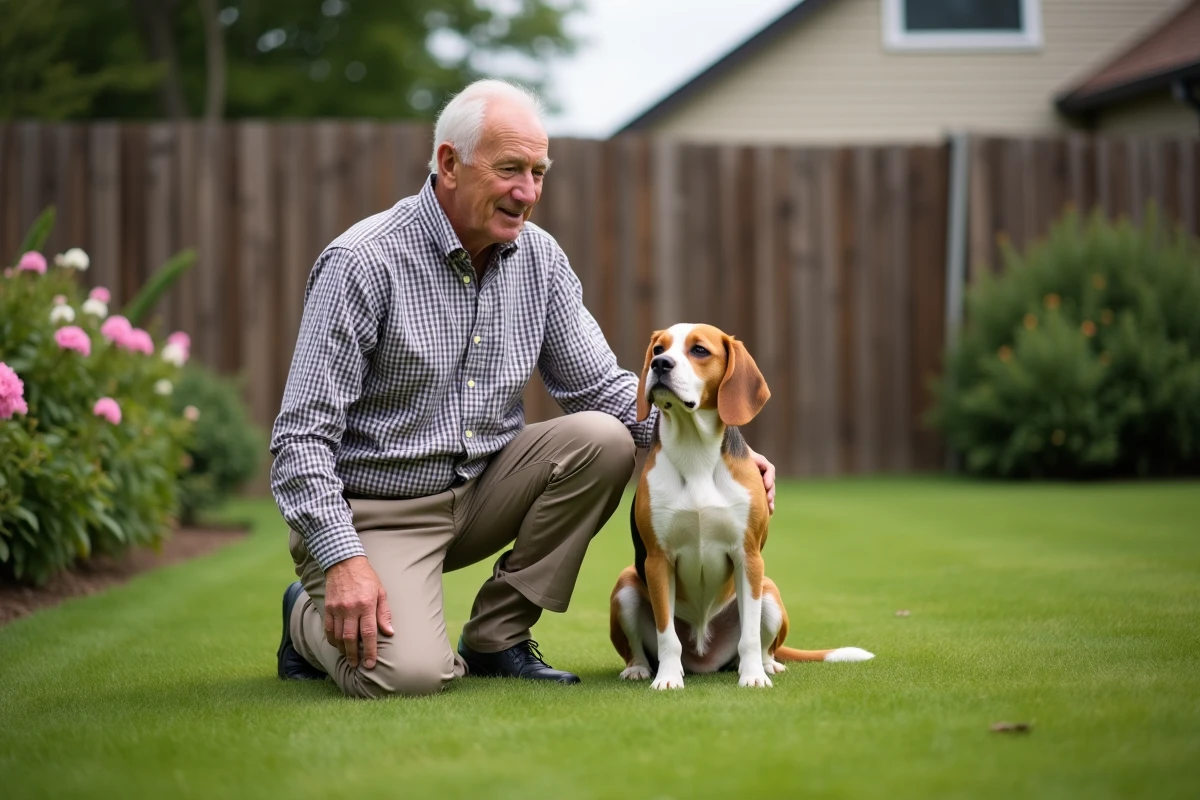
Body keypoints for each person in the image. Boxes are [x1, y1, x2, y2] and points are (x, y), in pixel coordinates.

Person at [270, 79, 777, 698]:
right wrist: (342, 559)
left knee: (604, 439)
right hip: (377, 511)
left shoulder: (540, 259)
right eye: (510, 169)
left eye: (538, 172)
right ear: (449, 164)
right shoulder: (362, 262)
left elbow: (605, 390)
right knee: (406, 677)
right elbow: (300, 437)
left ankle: (495, 636)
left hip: (484, 491)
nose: (527, 192)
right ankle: (306, 617)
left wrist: (738, 455)